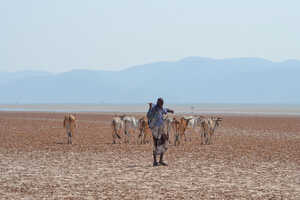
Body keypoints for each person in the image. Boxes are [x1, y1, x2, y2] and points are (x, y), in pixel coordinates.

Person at [147, 98, 174, 166]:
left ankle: (161, 160)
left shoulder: (161, 108)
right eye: (161, 103)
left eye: (162, 103)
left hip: (161, 129)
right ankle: (155, 161)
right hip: (155, 129)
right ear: (158, 103)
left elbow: (166, 109)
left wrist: (170, 110)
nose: (162, 104)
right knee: (156, 144)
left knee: (164, 142)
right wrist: (150, 108)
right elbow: (148, 116)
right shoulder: (154, 109)